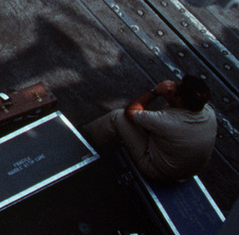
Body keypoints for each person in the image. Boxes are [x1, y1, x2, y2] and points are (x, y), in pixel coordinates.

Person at [85, 76, 217, 183]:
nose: (173, 85)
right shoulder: (208, 111)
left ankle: (86, 139)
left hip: (158, 170)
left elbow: (131, 111)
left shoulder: (169, 122)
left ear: (179, 99)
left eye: (176, 86)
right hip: (186, 172)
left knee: (117, 116)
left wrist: (156, 91)